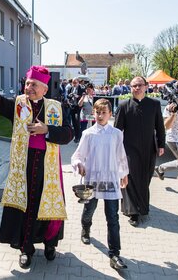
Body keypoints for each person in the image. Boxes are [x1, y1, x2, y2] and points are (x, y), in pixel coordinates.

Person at [0, 62, 73, 269]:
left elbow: (69, 134)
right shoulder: (18, 105)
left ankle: (49, 244)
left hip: (48, 169)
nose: (28, 88)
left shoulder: (57, 107)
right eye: (27, 83)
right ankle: (25, 249)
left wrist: (47, 129)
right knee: (25, 209)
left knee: (46, 206)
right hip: (24, 165)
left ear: (44, 89)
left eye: (34, 85)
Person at [71, 98, 129, 270]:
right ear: (93, 113)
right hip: (93, 180)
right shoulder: (88, 134)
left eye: (104, 112)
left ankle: (115, 254)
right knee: (89, 209)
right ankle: (85, 228)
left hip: (110, 180)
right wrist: (78, 164)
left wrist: (124, 173)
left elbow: (121, 156)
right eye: (98, 112)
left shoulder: (117, 133)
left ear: (110, 114)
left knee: (112, 217)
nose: (100, 115)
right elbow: (77, 156)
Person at [114, 76, 165, 226]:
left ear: (146, 86)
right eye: (133, 86)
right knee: (131, 178)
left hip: (149, 149)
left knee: (145, 178)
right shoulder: (124, 106)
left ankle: (142, 207)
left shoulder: (154, 104)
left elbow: (159, 127)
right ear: (130, 88)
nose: (137, 88)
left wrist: (161, 144)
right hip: (129, 149)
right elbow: (117, 130)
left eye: (139, 85)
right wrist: (114, 149)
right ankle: (133, 212)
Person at [68, 77, 84, 143]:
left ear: (78, 82)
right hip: (72, 107)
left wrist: (78, 96)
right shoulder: (70, 88)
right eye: (73, 83)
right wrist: (70, 95)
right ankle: (76, 136)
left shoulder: (81, 88)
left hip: (78, 107)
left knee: (77, 122)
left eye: (75, 83)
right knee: (73, 122)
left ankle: (78, 137)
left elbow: (84, 96)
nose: (74, 84)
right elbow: (68, 96)